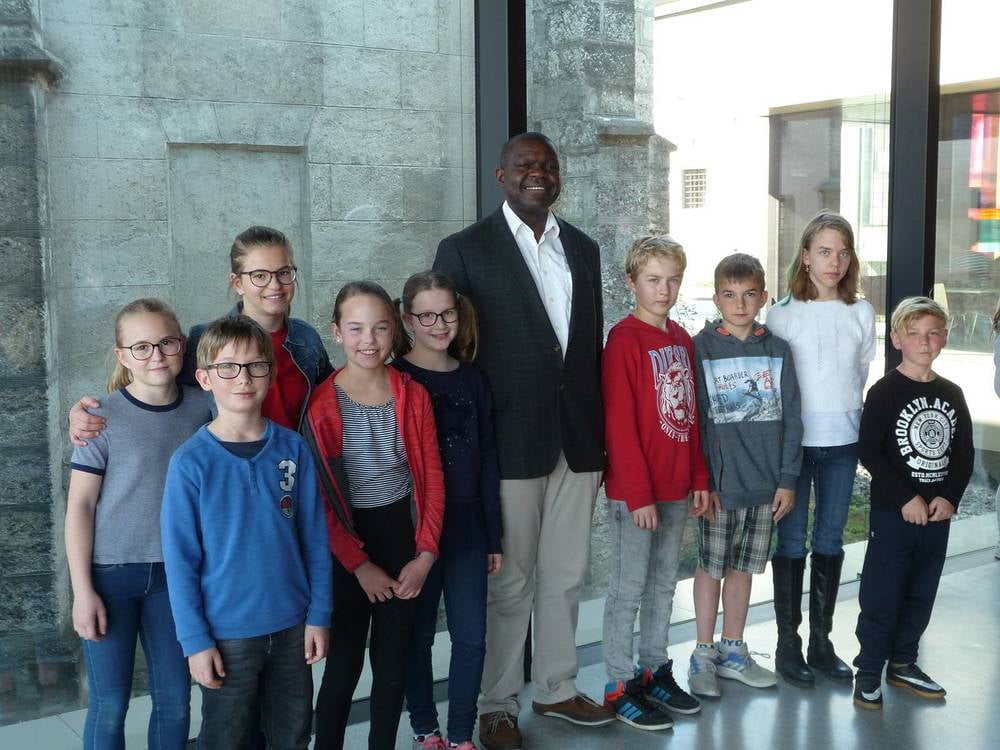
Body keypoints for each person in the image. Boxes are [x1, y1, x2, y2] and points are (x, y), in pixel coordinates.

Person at [434, 132, 612, 750]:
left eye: (547, 165)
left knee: (566, 575)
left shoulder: (583, 248)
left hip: (578, 441)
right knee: (510, 583)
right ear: (501, 176)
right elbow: (452, 350)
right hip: (507, 443)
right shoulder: (464, 250)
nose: (538, 173)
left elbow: (586, 350)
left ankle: (557, 689)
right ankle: (497, 704)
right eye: (524, 165)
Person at [160, 316, 332, 749]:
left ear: (271, 375)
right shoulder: (190, 463)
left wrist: (319, 615)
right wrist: (195, 641)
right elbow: (180, 562)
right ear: (205, 378)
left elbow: (315, 540)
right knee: (227, 738)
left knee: (292, 735)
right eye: (228, 367)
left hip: (293, 627)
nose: (243, 378)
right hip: (227, 634)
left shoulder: (293, 449)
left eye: (256, 366)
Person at [65, 298, 212, 750]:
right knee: (110, 703)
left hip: (177, 577)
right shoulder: (99, 418)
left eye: (167, 343)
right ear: (122, 356)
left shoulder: (205, 408)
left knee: (176, 701)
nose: (156, 355)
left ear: (182, 345)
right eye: (141, 347)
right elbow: (80, 507)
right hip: (111, 575)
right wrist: (83, 591)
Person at [304, 281, 445, 750]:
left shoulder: (413, 395)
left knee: (392, 664)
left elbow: (431, 480)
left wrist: (425, 554)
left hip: (402, 538)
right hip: (348, 548)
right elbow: (320, 500)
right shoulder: (321, 407)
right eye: (356, 328)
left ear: (395, 331)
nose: (369, 340)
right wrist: (358, 565)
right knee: (343, 666)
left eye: (380, 327)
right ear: (336, 332)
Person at [68, 225, 332, 442]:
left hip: (294, 469)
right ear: (237, 283)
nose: (275, 285)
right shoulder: (204, 341)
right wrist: (87, 414)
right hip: (227, 472)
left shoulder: (306, 339)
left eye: (284, 272)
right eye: (260, 275)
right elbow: (150, 390)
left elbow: (335, 393)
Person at [599, 237, 708, 731]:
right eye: (653, 280)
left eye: (672, 280)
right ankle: (619, 683)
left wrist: (698, 477)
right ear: (632, 283)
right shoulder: (624, 340)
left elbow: (692, 418)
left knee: (664, 584)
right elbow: (619, 425)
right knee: (628, 589)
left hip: (676, 489)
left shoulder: (681, 339)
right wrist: (638, 495)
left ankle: (653, 669)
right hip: (636, 495)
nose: (664, 290)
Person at [393, 270, 502, 750]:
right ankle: (425, 728)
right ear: (407, 319)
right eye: (427, 316)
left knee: (471, 636)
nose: (439, 325)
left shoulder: (473, 379)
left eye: (448, 314)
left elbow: (487, 460)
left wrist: (493, 535)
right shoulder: (396, 378)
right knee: (417, 636)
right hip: (415, 529)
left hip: (467, 527)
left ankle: (460, 733)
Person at [766, 211, 876, 686]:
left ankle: (821, 642)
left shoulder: (861, 312)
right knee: (791, 541)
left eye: (843, 253)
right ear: (806, 256)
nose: (835, 262)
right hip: (794, 446)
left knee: (830, 539)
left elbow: (860, 371)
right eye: (825, 251)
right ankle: (787, 644)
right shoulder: (782, 314)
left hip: (843, 444)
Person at [687, 253, 802, 698]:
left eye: (749, 295)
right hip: (720, 487)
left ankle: (733, 650)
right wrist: (704, 481)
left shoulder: (778, 350)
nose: (739, 304)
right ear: (716, 299)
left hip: (765, 486)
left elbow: (793, 417)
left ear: (763, 298)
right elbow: (696, 421)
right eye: (730, 295)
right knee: (711, 567)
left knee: (743, 568)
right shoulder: (700, 349)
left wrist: (787, 479)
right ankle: (703, 653)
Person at [852, 296, 974, 709]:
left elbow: (963, 454)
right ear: (896, 339)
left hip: (937, 515)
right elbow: (870, 451)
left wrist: (949, 498)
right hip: (894, 513)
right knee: (883, 592)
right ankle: (869, 670)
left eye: (933, 333)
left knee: (921, 591)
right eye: (914, 333)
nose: (924, 342)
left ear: (944, 338)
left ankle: (903, 662)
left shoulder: (952, 393)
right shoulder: (884, 392)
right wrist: (906, 497)